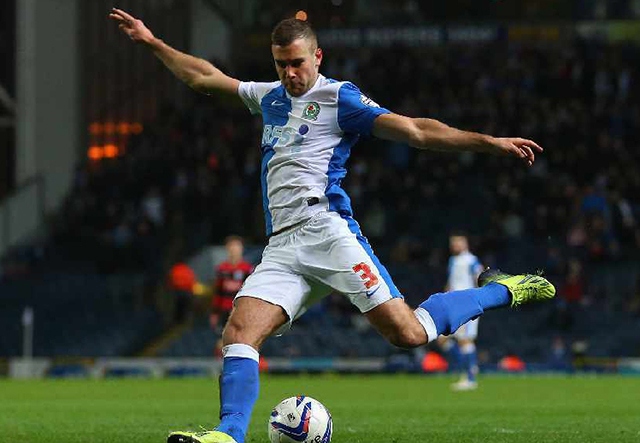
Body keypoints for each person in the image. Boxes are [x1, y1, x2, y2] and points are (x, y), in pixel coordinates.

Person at [109, 9, 556, 443]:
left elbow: (416, 130)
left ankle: (504, 289)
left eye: (297, 63)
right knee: (239, 334)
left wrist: (488, 142)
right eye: (281, 64)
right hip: (282, 247)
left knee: (409, 334)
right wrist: (151, 43)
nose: (289, 73)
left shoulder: (339, 98)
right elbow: (202, 76)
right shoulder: (269, 98)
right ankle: (228, 435)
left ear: (317, 57)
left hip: (328, 233)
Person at [438, 233, 484, 391]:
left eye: (458, 242)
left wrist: (477, 298)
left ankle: (470, 378)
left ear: (465, 244)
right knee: (442, 340)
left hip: (466, 303)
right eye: (453, 243)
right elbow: (451, 282)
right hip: (453, 303)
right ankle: (468, 366)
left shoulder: (471, 260)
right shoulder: (453, 261)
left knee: (465, 340)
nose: (455, 245)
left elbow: (480, 276)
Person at [210, 236, 254, 354]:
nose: (234, 249)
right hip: (225, 311)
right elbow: (218, 292)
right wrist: (214, 313)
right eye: (232, 246)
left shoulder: (247, 269)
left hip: (241, 310)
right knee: (222, 341)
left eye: (237, 246)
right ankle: (221, 368)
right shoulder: (222, 269)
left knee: (241, 340)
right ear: (227, 249)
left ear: (242, 249)